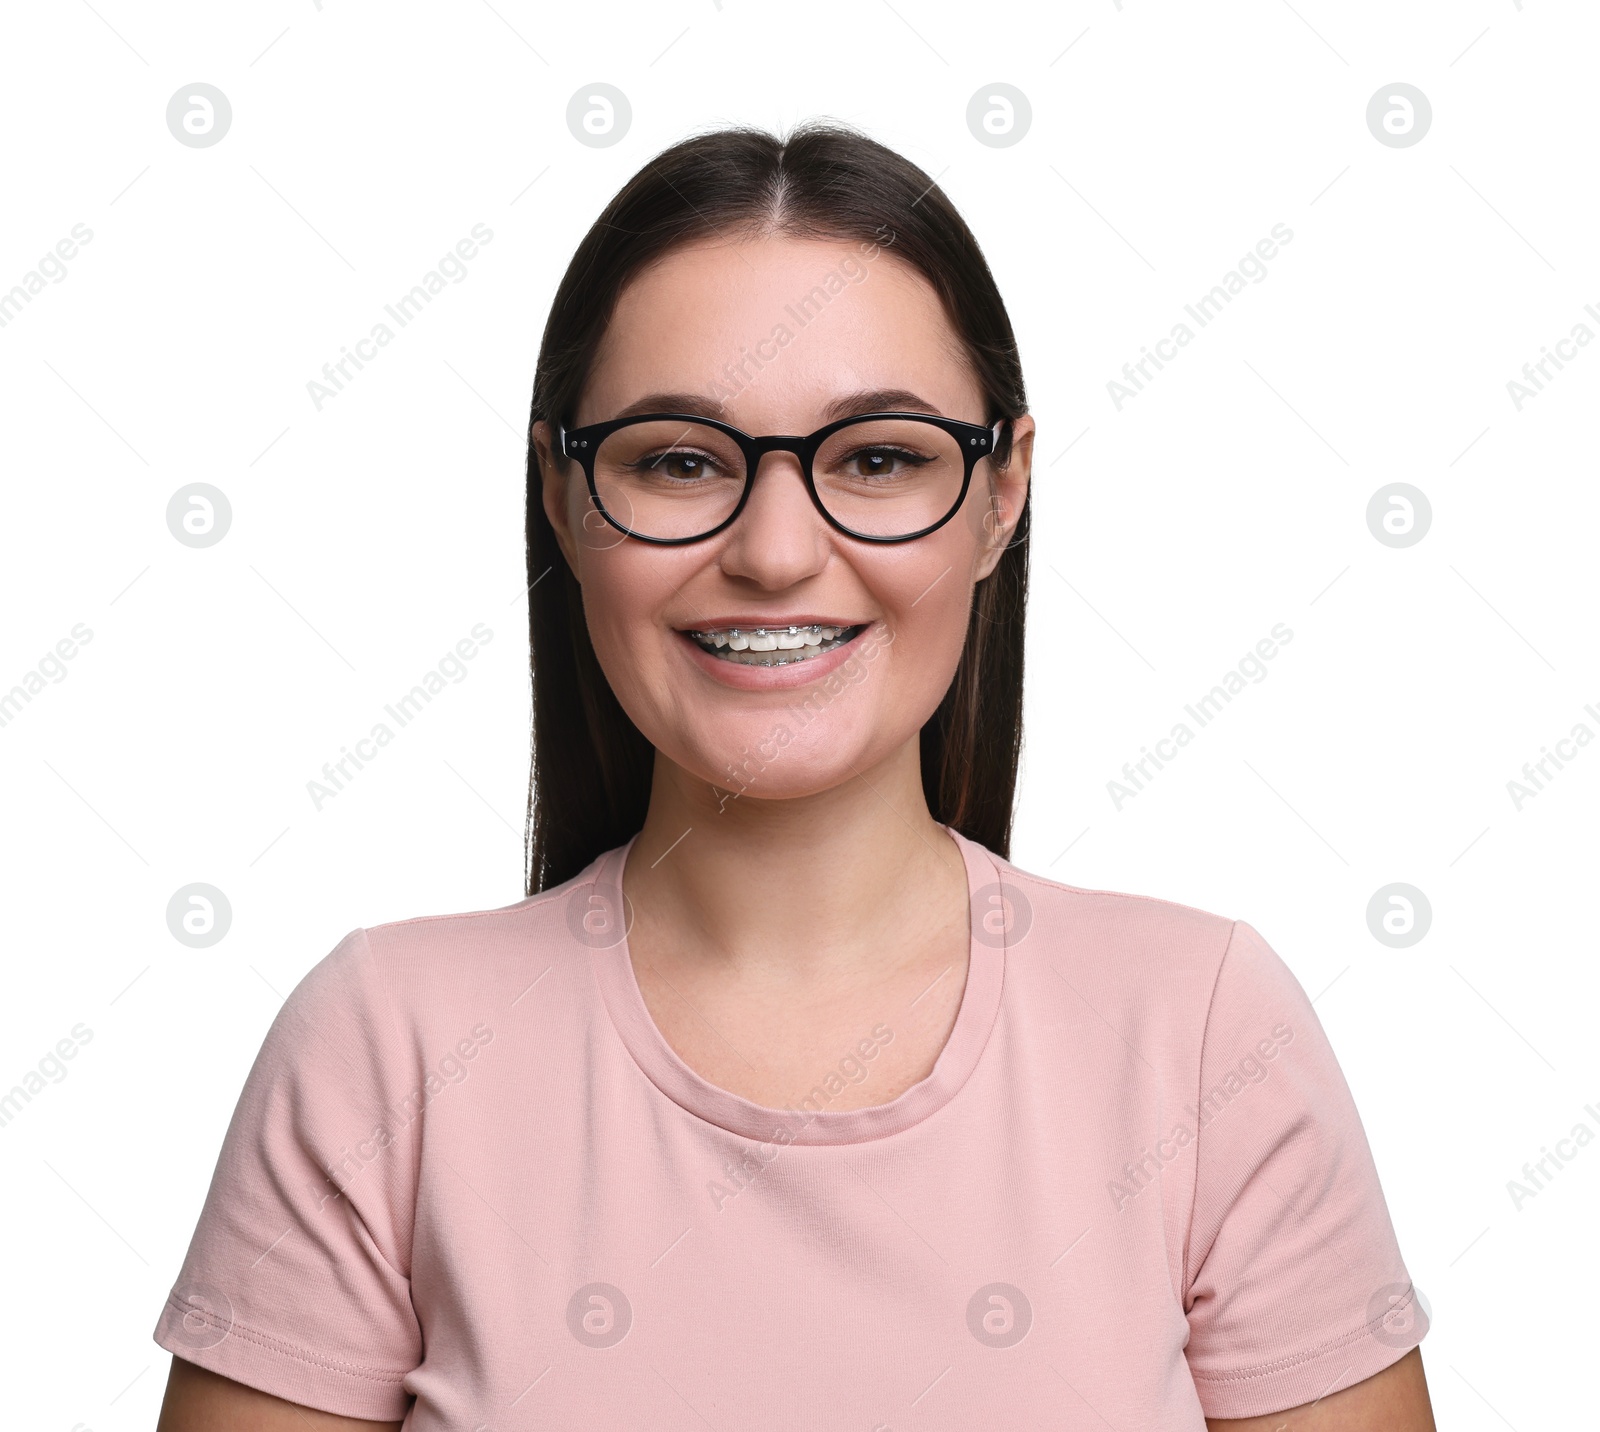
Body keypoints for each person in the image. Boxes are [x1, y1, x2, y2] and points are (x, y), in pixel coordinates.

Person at [154, 120, 1434, 1430]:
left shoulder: (1206, 1036)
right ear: (562, 494)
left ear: (1004, 494)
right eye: (677, 459)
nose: (774, 551)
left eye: (878, 458)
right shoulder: (387, 1050)